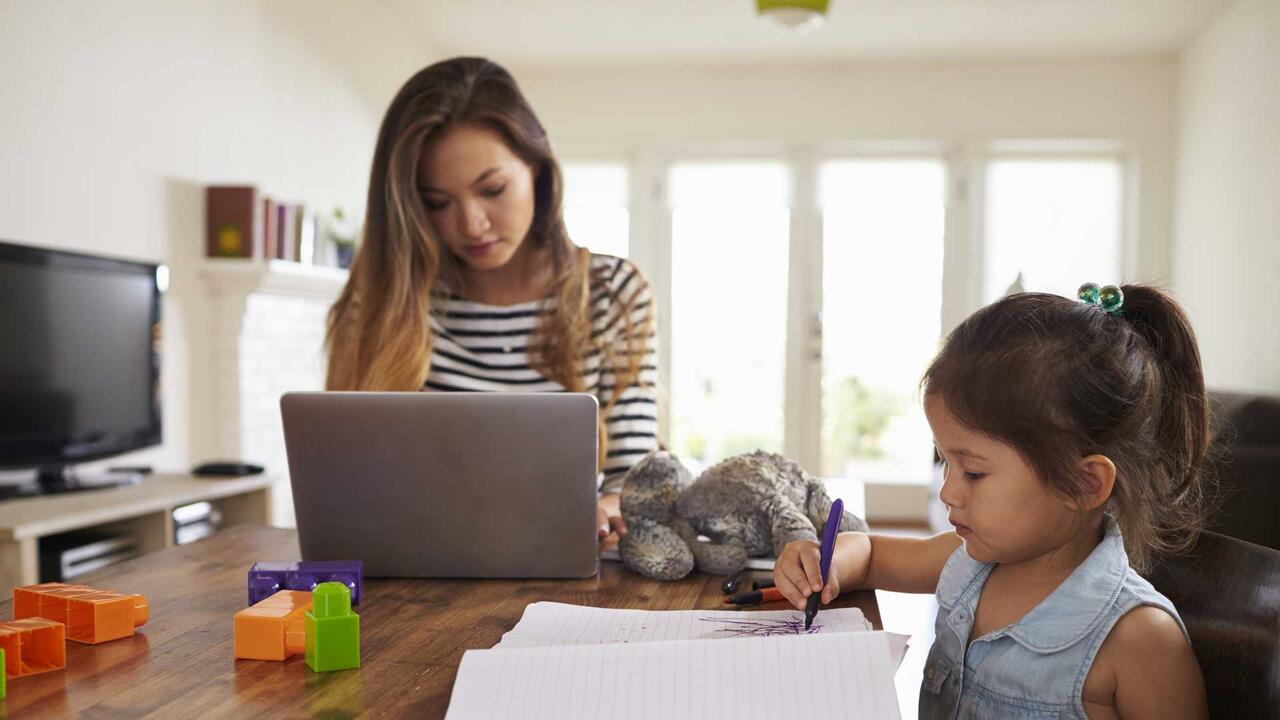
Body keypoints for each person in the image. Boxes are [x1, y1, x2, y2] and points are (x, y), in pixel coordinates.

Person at [774, 284, 1210, 719]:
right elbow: (870, 555)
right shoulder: (968, 563)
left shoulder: (1141, 641)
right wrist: (826, 562)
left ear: (1084, 484)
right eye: (945, 462)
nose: (947, 492)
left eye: (974, 473)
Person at [324, 57, 657, 539]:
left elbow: (636, 484)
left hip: (568, 564)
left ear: (538, 170)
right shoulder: (384, 301)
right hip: (418, 563)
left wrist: (606, 510)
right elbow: (345, 477)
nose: (471, 225)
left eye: (493, 189)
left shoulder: (614, 292)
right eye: (437, 203)